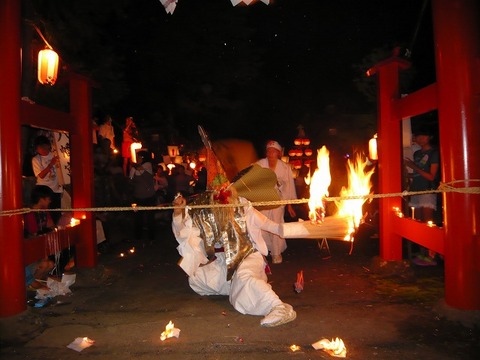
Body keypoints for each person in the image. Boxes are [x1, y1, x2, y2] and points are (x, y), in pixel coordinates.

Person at [171, 188, 296, 327]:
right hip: (224, 261)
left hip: (248, 256)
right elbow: (185, 234)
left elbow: (272, 226)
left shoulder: (244, 209)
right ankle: (240, 286)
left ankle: (279, 307)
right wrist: (178, 213)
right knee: (196, 278)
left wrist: (303, 228)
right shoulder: (204, 213)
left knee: (243, 276)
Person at [255, 140, 297, 264]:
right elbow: (251, 179)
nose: (270, 154)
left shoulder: (285, 168)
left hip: (278, 202)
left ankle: (276, 253)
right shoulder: (260, 164)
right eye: (268, 151)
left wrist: (289, 205)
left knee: (276, 225)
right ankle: (262, 253)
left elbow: (289, 187)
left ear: (278, 153)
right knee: (261, 226)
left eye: (273, 151)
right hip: (263, 201)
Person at [404, 125, 440, 266]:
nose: (420, 138)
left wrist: (414, 167)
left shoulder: (434, 153)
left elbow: (431, 176)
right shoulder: (417, 153)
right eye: (418, 136)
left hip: (427, 190)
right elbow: (418, 174)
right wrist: (408, 173)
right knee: (418, 223)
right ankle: (421, 253)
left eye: (423, 136)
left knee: (427, 223)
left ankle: (432, 255)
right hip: (416, 190)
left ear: (429, 137)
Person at [31, 135, 63, 225]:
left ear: (49, 146)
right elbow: (40, 175)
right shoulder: (36, 159)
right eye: (40, 148)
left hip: (56, 189)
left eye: (45, 147)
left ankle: (55, 230)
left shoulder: (56, 154)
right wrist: (51, 164)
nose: (43, 150)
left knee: (56, 214)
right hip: (43, 190)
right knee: (43, 214)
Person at [129, 150, 156, 241]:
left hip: (149, 197)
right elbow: (131, 178)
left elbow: (139, 169)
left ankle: (151, 237)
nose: (137, 158)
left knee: (150, 218)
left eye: (139, 157)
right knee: (137, 217)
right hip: (137, 197)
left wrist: (134, 166)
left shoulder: (148, 165)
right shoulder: (134, 168)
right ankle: (138, 236)